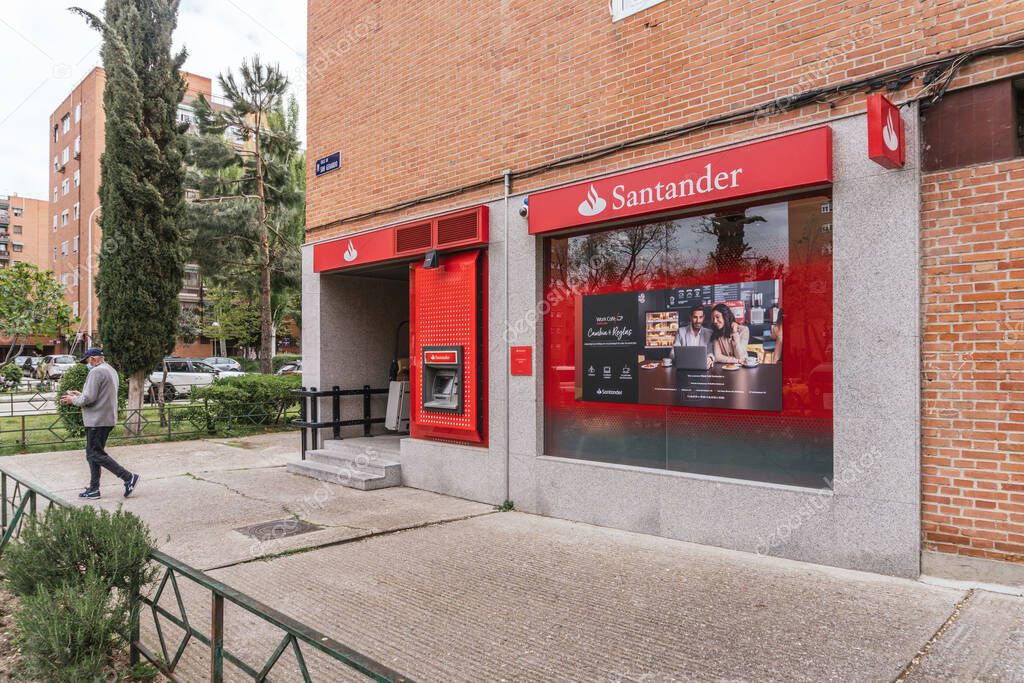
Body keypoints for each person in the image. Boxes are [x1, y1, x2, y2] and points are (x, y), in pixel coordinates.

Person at [59, 348, 139, 499]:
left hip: (97, 420)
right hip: (105, 418)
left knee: (95, 453)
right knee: (92, 454)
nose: (87, 364)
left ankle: (128, 477)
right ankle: (94, 489)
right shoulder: (110, 370)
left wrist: (73, 399)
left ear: (94, 359)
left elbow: (89, 399)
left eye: (88, 361)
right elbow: (97, 394)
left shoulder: (96, 372)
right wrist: (80, 395)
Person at [671, 305, 714, 369]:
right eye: (695, 317)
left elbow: (711, 352)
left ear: (703, 317)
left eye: (700, 317)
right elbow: (672, 353)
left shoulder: (709, 333)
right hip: (685, 368)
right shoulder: (681, 331)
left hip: (703, 368)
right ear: (690, 317)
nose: (698, 321)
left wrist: (710, 358)